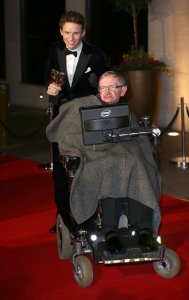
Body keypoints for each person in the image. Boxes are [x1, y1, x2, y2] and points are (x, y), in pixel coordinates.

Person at [46, 71, 161, 251]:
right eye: (103, 87)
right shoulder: (79, 107)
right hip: (93, 162)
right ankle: (110, 233)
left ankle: (145, 231)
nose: (106, 91)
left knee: (139, 164)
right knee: (111, 165)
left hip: (127, 161)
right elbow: (64, 135)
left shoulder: (126, 114)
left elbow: (141, 145)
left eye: (112, 87)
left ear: (122, 90)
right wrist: (94, 143)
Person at [44, 11, 108, 233]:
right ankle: (63, 218)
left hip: (86, 118)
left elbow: (104, 87)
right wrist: (50, 87)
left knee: (87, 167)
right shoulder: (55, 49)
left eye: (76, 34)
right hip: (61, 117)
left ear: (84, 33)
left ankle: (88, 216)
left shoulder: (96, 55)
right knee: (60, 170)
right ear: (61, 31)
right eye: (67, 33)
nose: (71, 38)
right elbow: (48, 75)